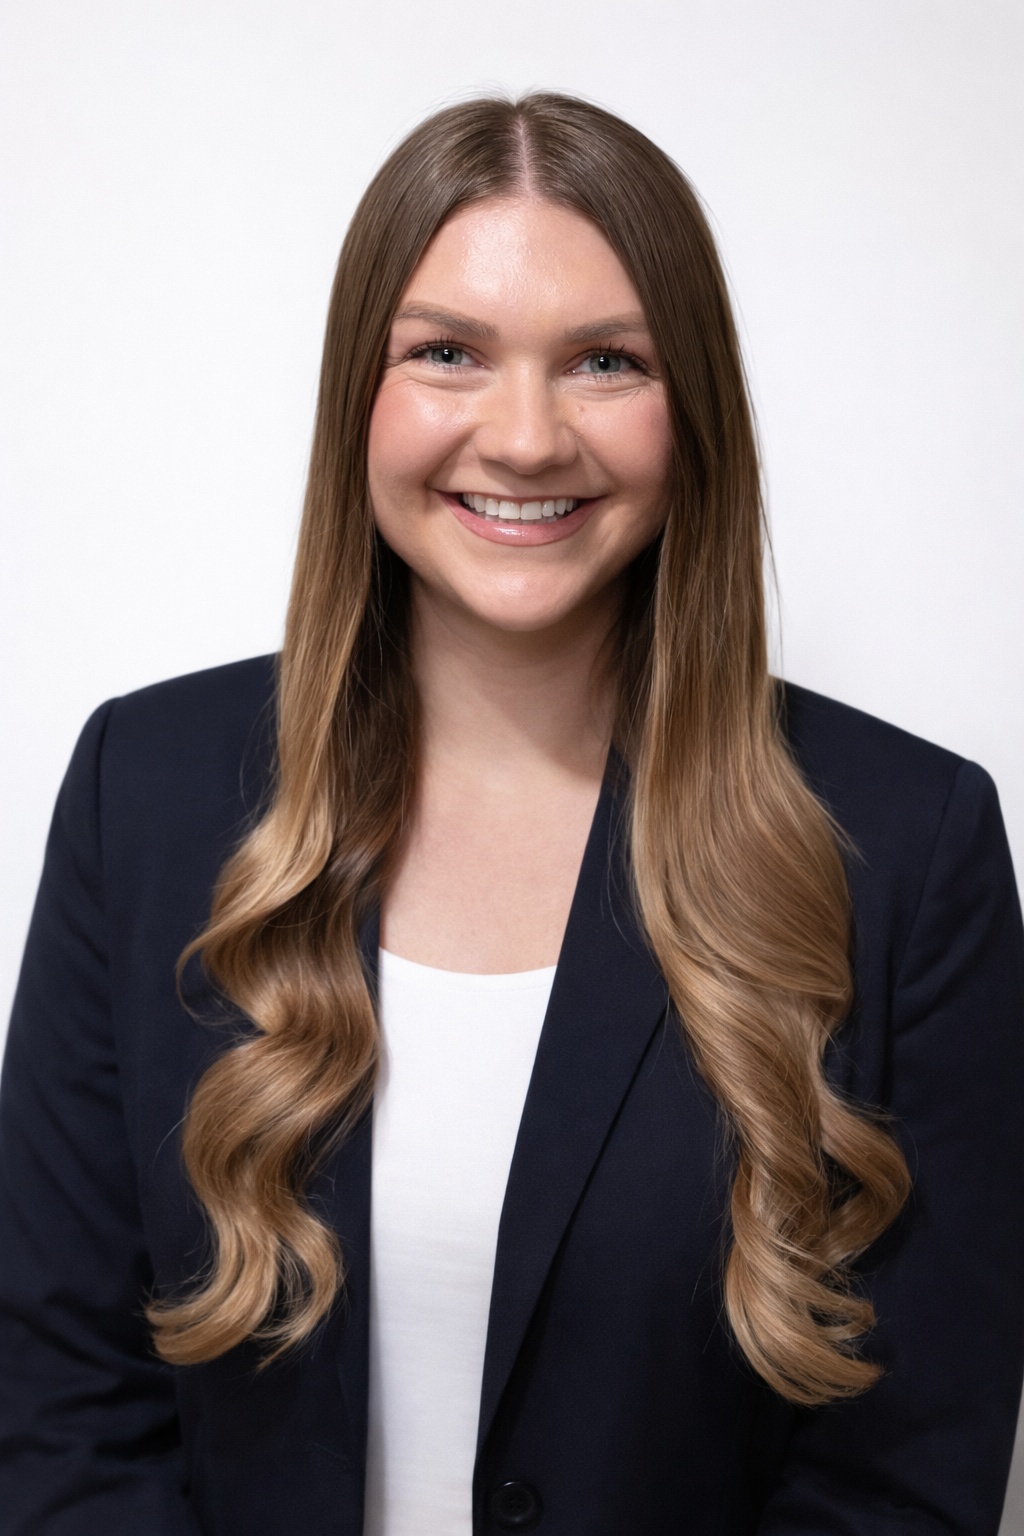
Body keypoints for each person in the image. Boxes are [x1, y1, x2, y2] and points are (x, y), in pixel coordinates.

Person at [1, 92, 1022, 1536]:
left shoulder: (914, 847)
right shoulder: (142, 792)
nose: (526, 436)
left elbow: (904, 1477)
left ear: (695, 408)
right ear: (363, 387)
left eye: (606, 360)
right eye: (448, 354)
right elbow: (63, 1409)